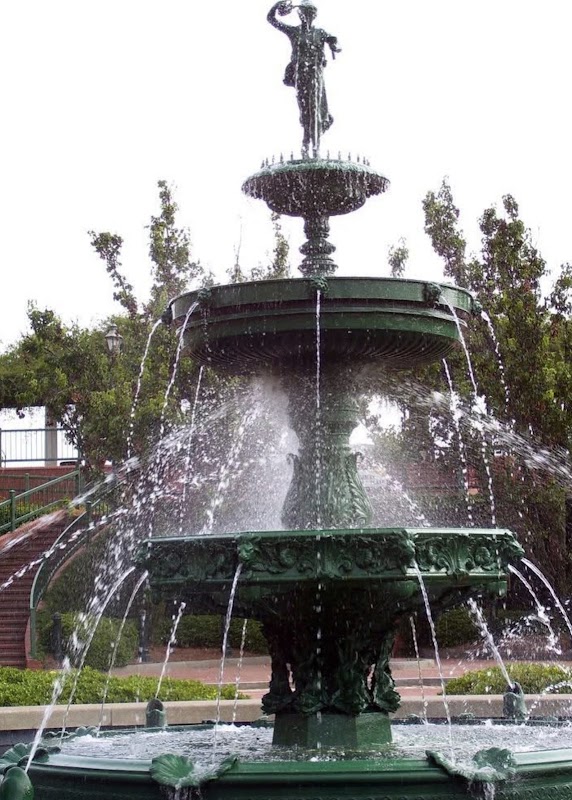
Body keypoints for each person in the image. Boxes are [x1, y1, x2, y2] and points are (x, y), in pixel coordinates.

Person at [267, 0, 341, 158]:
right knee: (305, 110)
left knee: (315, 108)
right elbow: (271, 19)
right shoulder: (294, 32)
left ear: (314, 15)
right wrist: (277, 5)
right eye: (305, 13)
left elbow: (334, 42)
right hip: (301, 75)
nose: (307, 16)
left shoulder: (320, 33)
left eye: (310, 14)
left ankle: (313, 146)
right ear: (300, 15)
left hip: (315, 75)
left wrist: (335, 45)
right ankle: (307, 142)